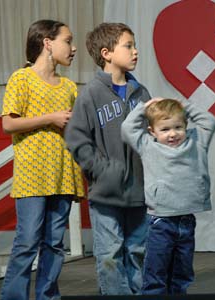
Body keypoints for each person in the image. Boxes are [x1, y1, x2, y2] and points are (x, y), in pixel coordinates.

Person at [0, 19, 85, 300]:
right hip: (34, 176)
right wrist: (50, 118)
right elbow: (9, 124)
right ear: (48, 42)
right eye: (68, 41)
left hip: (62, 173)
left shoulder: (70, 87)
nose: (72, 48)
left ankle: (48, 296)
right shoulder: (21, 79)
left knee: (54, 244)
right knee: (27, 242)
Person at [64, 23, 151, 295]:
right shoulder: (90, 93)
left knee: (137, 251)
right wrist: (104, 171)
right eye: (128, 45)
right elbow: (77, 139)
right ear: (107, 53)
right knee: (110, 254)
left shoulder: (141, 93)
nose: (135, 51)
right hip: (106, 193)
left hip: (139, 192)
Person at [121, 97, 215, 295]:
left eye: (178, 127)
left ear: (185, 126)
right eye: (164, 129)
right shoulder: (147, 145)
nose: (172, 134)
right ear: (152, 132)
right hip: (160, 221)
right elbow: (127, 128)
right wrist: (145, 107)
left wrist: (182, 104)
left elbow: (210, 121)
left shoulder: (196, 140)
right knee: (156, 272)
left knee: (182, 274)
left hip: (187, 220)